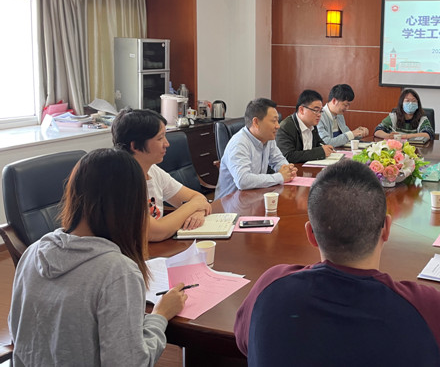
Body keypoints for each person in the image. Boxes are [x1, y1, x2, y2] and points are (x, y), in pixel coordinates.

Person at [234, 159, 440, 366]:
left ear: (311, 235)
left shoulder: (269, 287)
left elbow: (245, 341)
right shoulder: (429, 310)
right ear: (386, 229)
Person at [9, 149, 187, 366]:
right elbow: (129, 363)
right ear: (130, 204)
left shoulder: (32, 252)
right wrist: (160, 316)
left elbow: (17, 330)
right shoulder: (117, 271)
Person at [112, 108, 212, 241]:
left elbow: (197, 197)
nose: (167, 144)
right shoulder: (120, 180)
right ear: (135, 146)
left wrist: (198, 212)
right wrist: (194, 206)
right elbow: (156, 232)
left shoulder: (152, 170)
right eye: (160, 138)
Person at [215, 98, 297, 200]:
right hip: (230, 204)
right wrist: (280, 177)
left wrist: (288, 170)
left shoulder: (268, 138)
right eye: (274, 121)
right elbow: (243, 181)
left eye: (278, 121)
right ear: (256, 122)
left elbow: (278, 160)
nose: (278, 126)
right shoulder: (239, 144)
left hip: (255, 197)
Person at [276, 89, 334, 163]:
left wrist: (327, 148)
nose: (319, 115)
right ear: (301, 110)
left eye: (320, 111)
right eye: (316, 110)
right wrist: (321, 152)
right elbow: (288, 156)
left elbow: (319, 143)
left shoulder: (312, 125)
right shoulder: (285, 127)